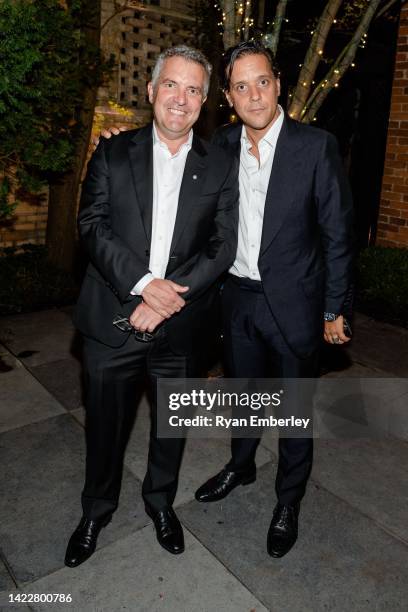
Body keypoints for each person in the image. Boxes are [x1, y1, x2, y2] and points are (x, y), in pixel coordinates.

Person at [64, 45, 238, 567]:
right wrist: (142, 283)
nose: (180, 99)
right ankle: (95, 510)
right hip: (109, 321)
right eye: (171, 85)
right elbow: (91, 226)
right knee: (105, 427)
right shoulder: (112, 153)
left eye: (192, 89)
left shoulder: (220, 165)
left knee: (171, 426)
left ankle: (161, 503)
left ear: (204, 101)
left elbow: (222, 247)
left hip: (181, 329)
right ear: (151, 91)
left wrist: (165, 302)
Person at [194, 41, 354, 558]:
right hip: (236, 300)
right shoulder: (220, 146)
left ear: (278, 83)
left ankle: (289, 499)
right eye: (241, 86)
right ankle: (240, 467)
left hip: (296, 304)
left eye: (261, 81)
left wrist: (334, 309)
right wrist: (117, 144)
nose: (254, 94)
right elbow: (169, 167)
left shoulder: (315, 146)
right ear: (229, 95)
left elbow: (337, 236)